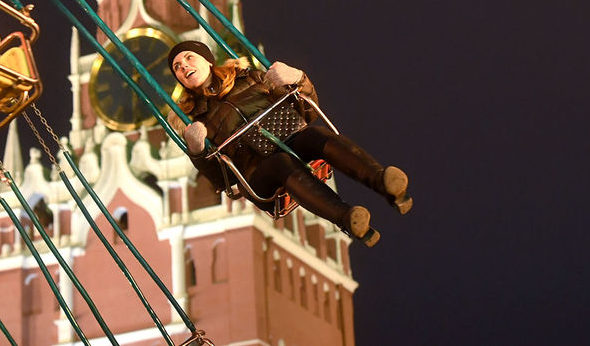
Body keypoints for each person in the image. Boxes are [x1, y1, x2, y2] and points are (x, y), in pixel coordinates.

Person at [167, 41, 412, 246]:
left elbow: (306, 112)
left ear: (208, 60)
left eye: (189, 57)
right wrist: (197, 151)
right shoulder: (193, 119)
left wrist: (299, 80)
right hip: (257, 172)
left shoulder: (250, 77)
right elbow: (221, 181)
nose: (184, 66)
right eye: (177, 67)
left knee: (316, 136)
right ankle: (347, 217)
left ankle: (383, 182)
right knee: (280, 163)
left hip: (287, 136)